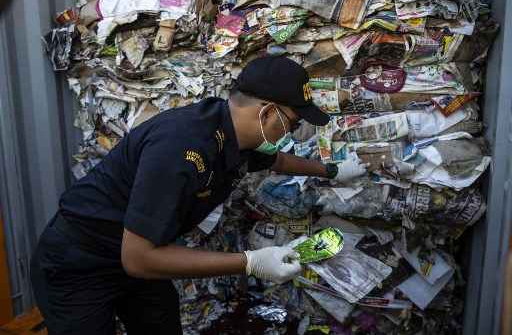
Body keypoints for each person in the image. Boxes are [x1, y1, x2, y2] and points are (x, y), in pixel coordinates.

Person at [30, 56, 368, 334]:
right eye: (292, 125)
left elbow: (276, 159)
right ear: (266, 113)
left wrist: (332, 171)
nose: (292, 133)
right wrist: (249, 263)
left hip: (135, 256)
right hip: (80, 264)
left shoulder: (233, 133)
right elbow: (138, 258)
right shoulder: (183, 147)